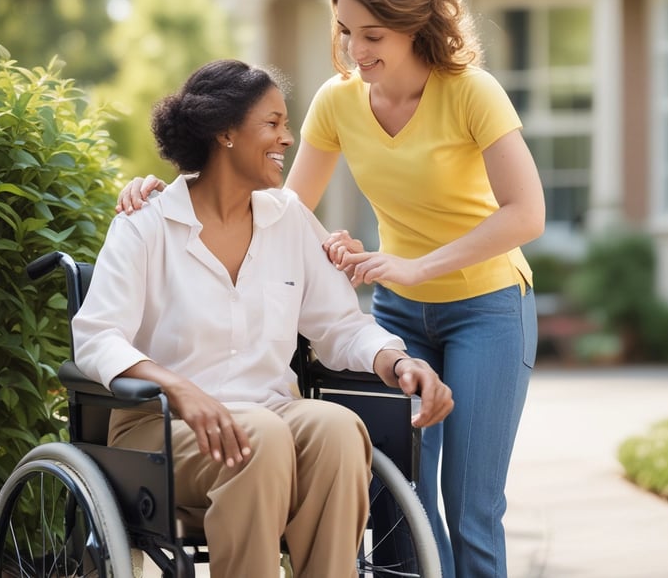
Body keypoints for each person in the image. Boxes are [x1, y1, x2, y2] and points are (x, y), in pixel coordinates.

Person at [116, 0, 545, 578]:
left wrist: (418, 265)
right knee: (400, 497)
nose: (355, 50)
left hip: (486, 304)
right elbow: (275, 211)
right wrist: (174, 187)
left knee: (471, 505)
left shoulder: (470, 93)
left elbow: (525, 215)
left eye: (372, 34)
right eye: (345, 32)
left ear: (414, 24)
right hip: (399, 313)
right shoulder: (339, 100)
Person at [76, 58, 454, 578]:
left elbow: (339, 325)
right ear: (224, 133)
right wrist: (176, 386)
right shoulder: (147, 225)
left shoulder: (289, 219)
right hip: (161, 427)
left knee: (339, 428)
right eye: (273, 123)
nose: (289, 137)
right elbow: (96, 337)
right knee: (260, 437)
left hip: (270, 412)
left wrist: (396, 360)